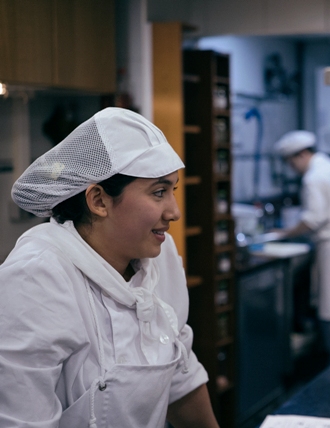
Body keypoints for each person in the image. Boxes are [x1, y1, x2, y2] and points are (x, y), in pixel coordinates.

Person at [0, 108, 219, 428]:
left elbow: (180, 375)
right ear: (99, 201)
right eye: (159, 192)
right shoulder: (35, 279)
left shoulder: (161, 256)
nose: (174, 212)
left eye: (172, 190)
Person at [274, 130, 330, 361]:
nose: (292, 167)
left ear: (302, 154)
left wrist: (285, 233)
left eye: (291, 162)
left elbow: (313, 219)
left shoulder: (313, 178)